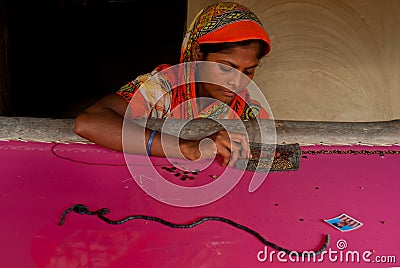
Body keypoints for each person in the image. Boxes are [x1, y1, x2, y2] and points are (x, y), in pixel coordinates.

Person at [74, 1, 271, 167]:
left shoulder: (248, 111)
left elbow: (272, 162)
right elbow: (90, 122)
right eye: (226, 68)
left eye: (248, 71)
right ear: (197, 54)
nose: (236, 82)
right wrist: (186, 147)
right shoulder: (165, 87)